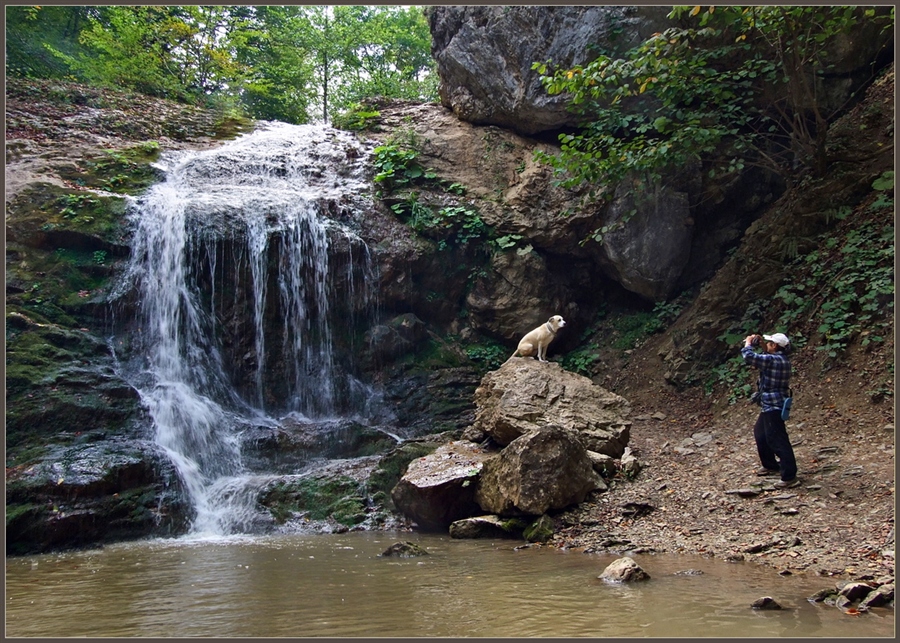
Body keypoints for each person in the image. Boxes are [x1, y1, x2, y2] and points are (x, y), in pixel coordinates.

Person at [741, 332, 799, 488]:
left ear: (774, 346)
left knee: (778, 439)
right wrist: (760, 343)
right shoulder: (781, 359)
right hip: (770, 404)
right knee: (760, 433)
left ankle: (789, 476)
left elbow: (749, 357)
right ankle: (770, 465)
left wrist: (748, 343)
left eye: (769, 343)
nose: (767, 344)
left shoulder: (773, 360)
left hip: (774, 404)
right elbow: (765, 357)